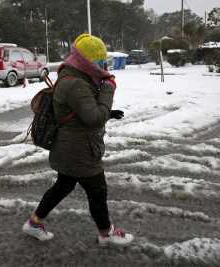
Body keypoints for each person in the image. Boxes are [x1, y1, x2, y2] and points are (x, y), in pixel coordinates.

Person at [22, 33, 133, 247]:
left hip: (70, 148)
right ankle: (106, 234)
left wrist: (107, 112)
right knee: (98, 191)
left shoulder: (76, 77)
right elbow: (92, 118)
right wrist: (109, 88)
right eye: (100, 62)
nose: (103, 67)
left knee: (62, 187)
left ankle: (34, 223)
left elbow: (83, 110)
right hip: (79, 151)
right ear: (87, 62)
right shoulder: (75, 83)